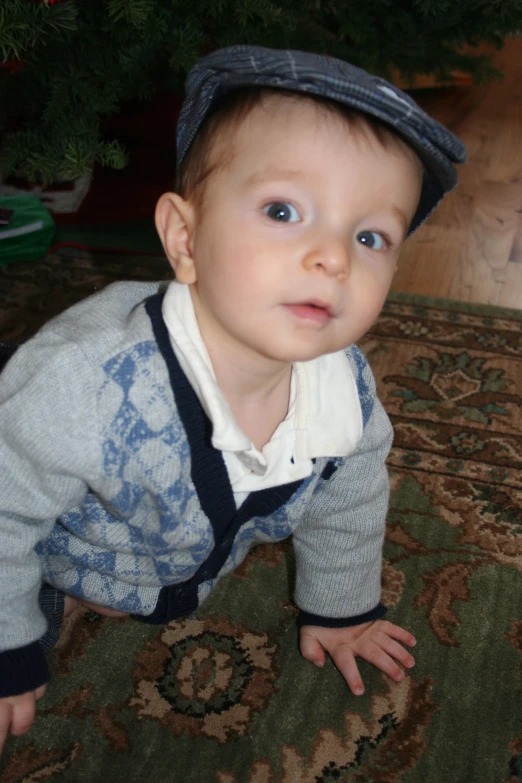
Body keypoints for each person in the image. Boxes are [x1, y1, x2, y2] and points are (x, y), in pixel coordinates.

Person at [0, 45, 466, 755]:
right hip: (57, 548)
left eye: (370, 235)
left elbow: (353, 492)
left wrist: (340, 607)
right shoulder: (85, 382)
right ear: (185, 238)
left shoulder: (343, 390)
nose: (333, 256)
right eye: (284, 210)